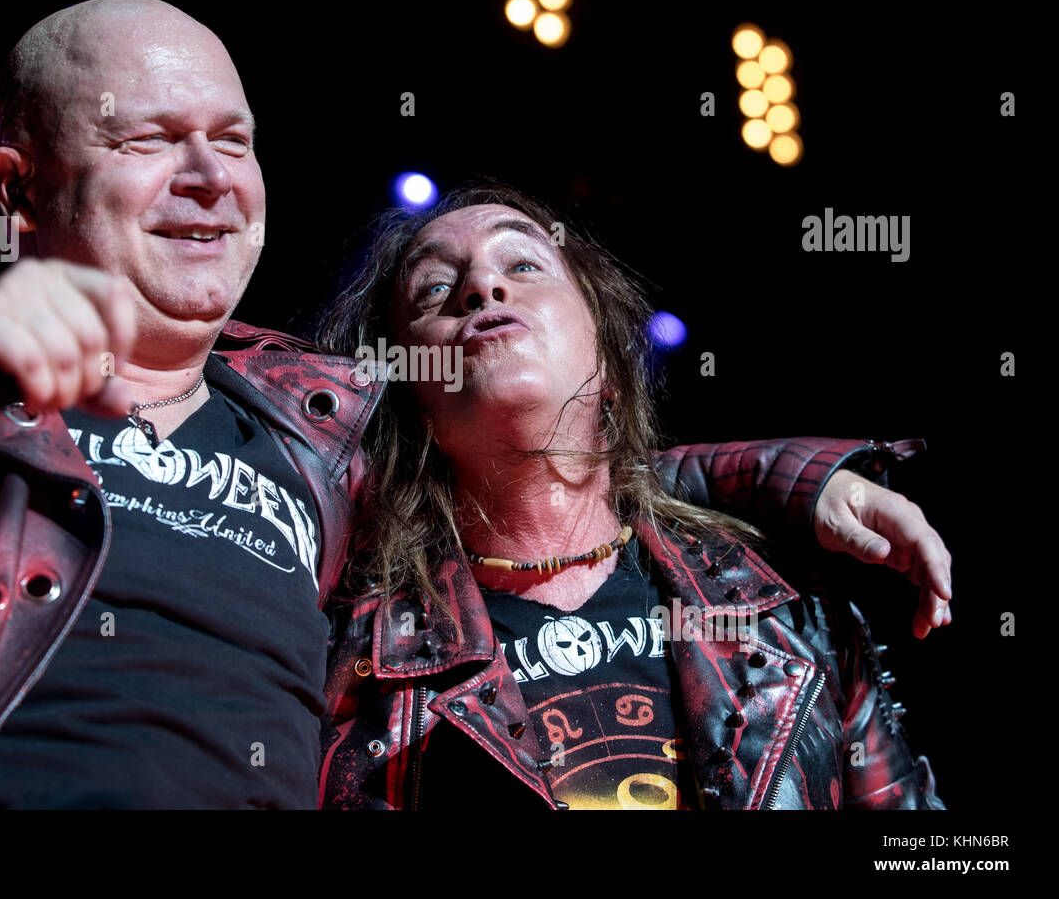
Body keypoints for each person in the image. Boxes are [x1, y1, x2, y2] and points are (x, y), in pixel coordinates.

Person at [0, 0, 947, 810]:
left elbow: (551, 471)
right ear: (18, 191)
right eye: (151, 140)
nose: (209, 176)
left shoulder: (318, 431)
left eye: (233, 138)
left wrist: (801, 477)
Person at [315, 182, 948, 809]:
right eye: (433, 289)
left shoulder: (786, 611)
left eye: (524, 264)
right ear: (408, 396)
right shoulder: (344, 652)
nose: (482, 286)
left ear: (611, 365)